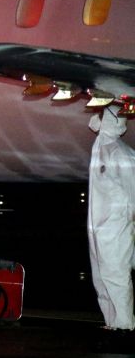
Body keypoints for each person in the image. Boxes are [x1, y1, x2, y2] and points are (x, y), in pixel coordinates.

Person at [87, 106, 135, 333]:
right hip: (97, 225)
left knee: (116, 275)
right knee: (101, 277)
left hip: (116, 227)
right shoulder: (100, 148)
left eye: (103, 114)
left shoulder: (122, 153)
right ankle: (111, 323)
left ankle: (125, 325)